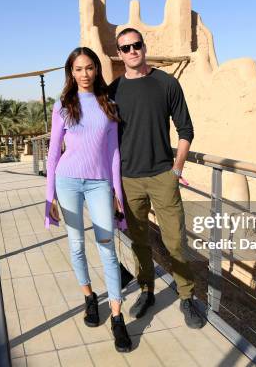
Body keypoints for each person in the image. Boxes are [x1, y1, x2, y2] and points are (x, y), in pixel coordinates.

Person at [109, 28, 204, 329]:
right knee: (139, 241)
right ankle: (147, 290)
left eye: (136, 45)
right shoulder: (113, 91)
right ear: (119, 53)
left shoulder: (166, 83)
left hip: (164, 175)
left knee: (175, 240)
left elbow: (186, 130)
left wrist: (177, 169)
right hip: (129, 179)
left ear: (144, 47)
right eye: (125, 48)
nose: (132, 51)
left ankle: (187, 297)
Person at [45, 47, 132, 352]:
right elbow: (54, 152)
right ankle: (89, 298)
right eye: (78, 69)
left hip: (99, 185)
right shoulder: (63, 105)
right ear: (71, 73)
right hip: (67, 181)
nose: (84, 74)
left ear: (97, 70)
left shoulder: (108, 104)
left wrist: (117, 195)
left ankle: (118, 319)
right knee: (76, 244)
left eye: (89, 68)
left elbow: (113, 154)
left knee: (107, 249)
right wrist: (49, 197)